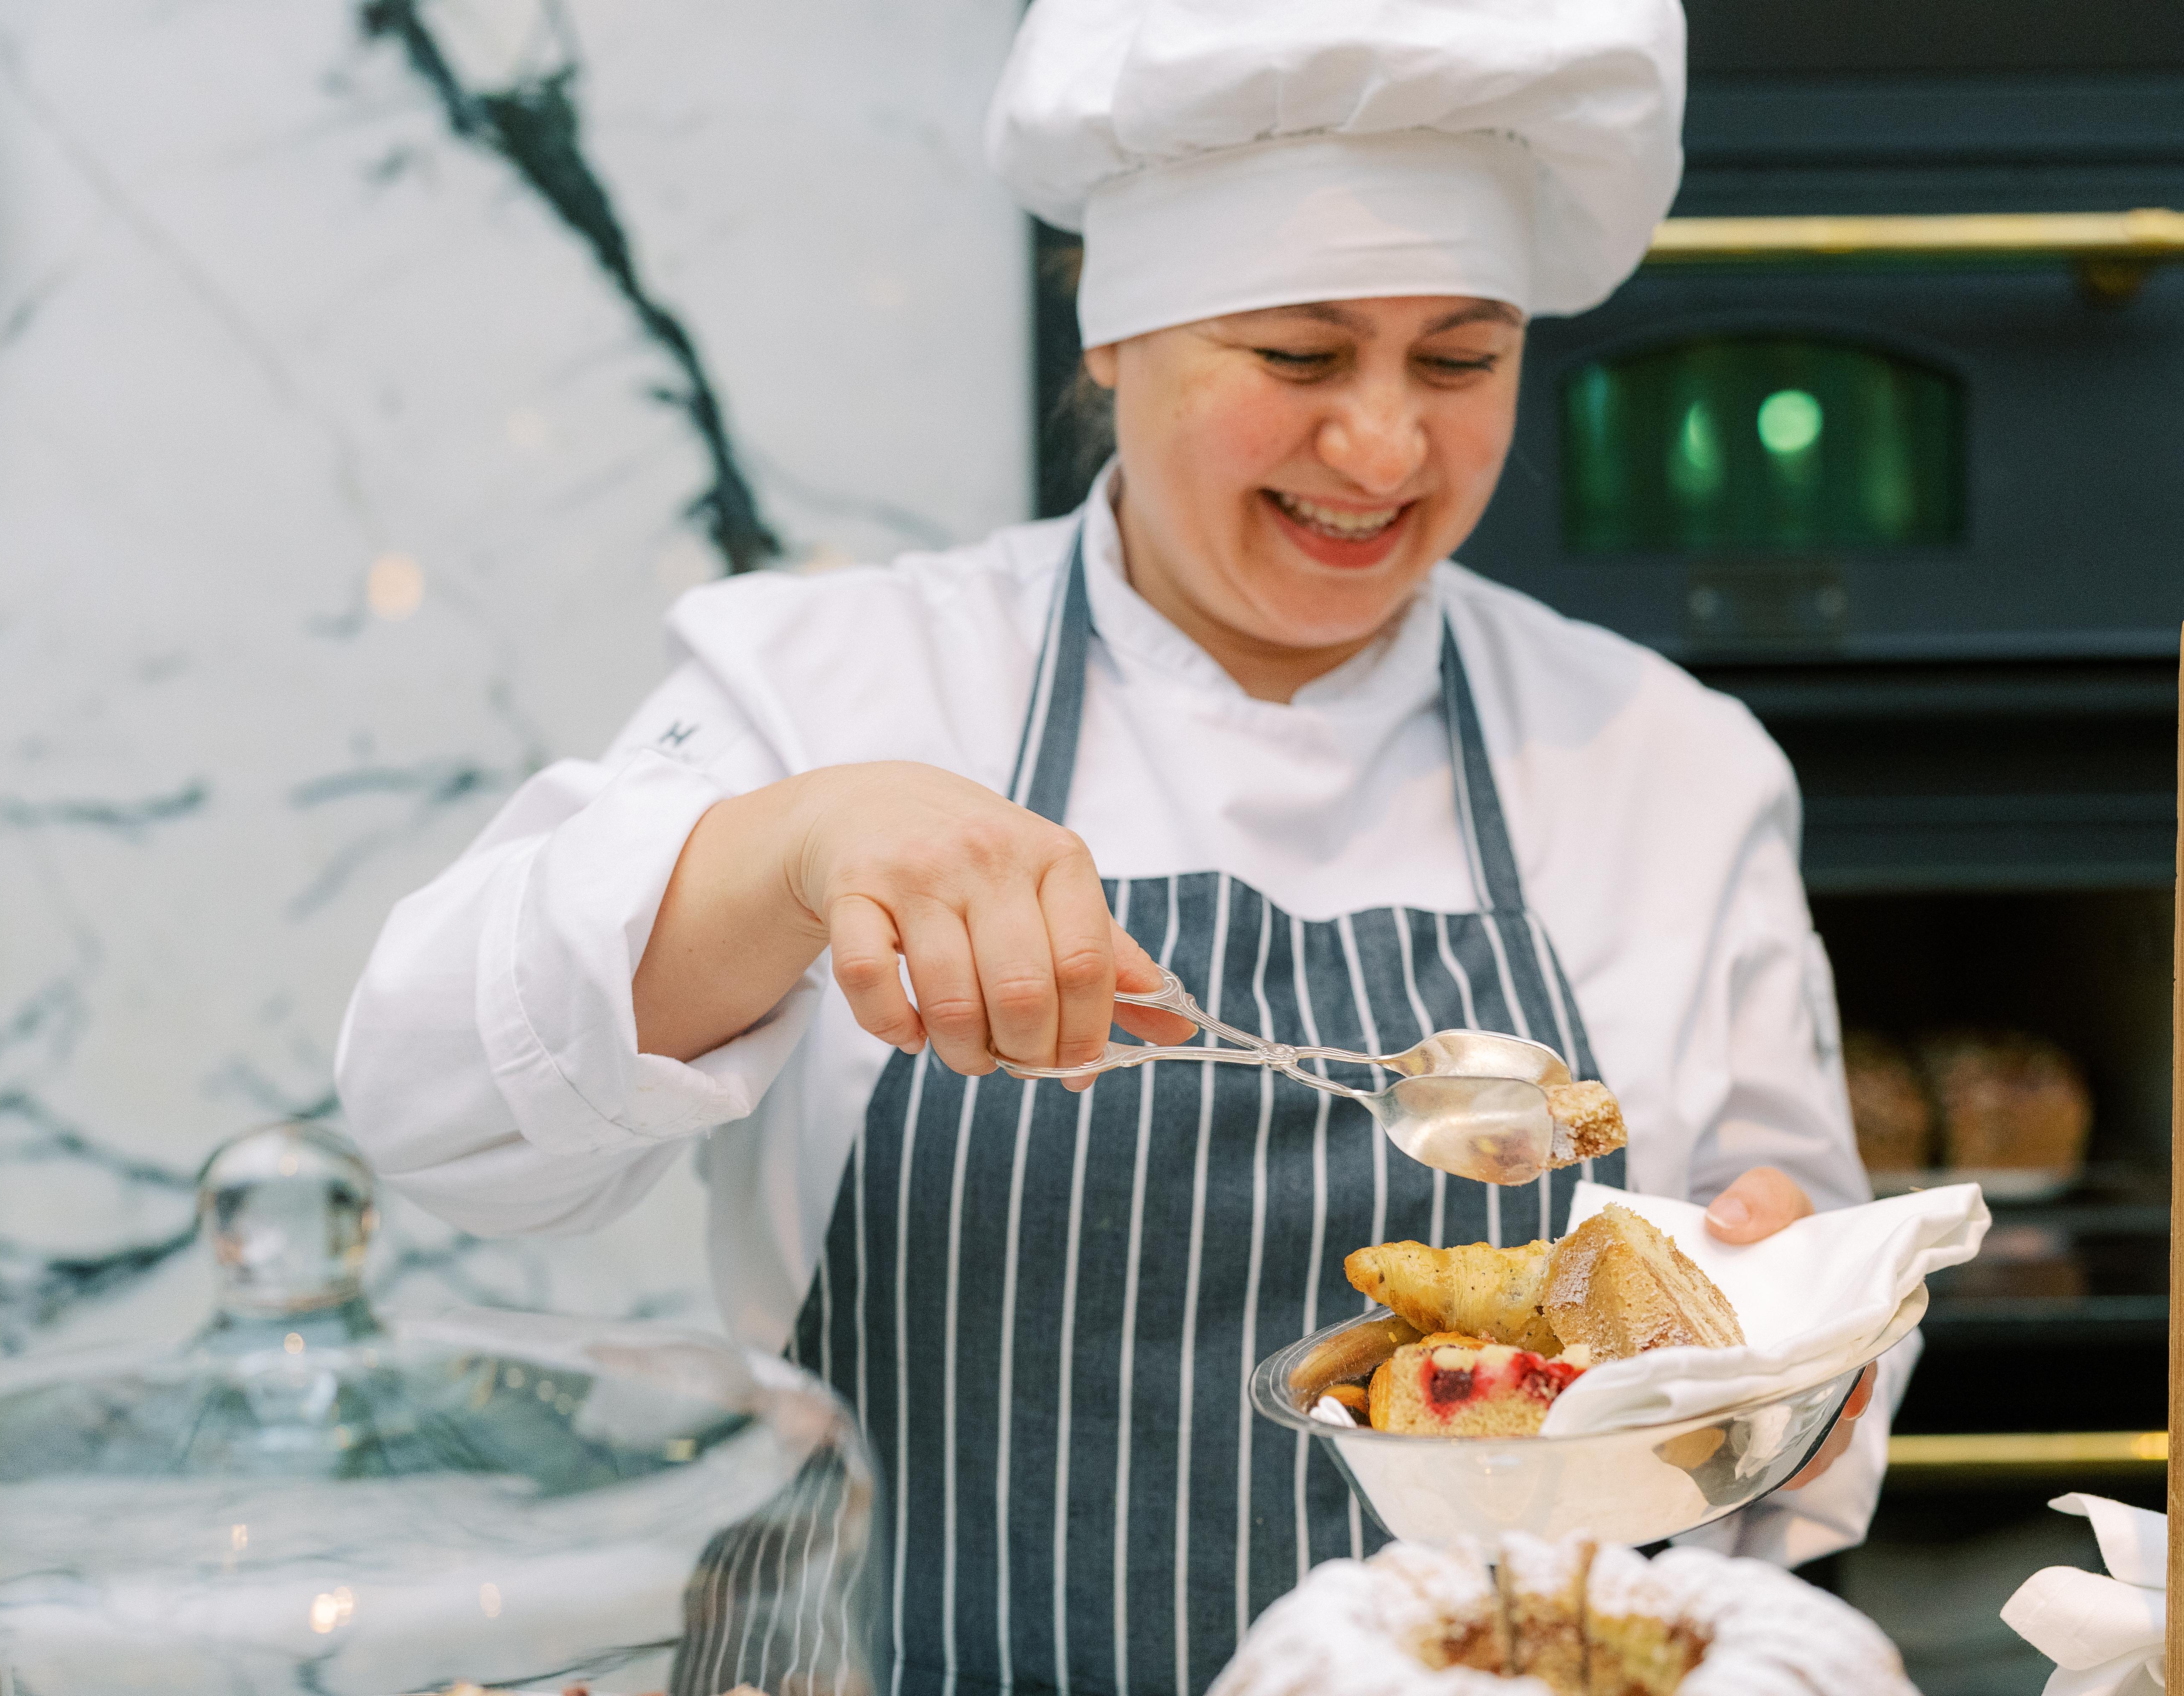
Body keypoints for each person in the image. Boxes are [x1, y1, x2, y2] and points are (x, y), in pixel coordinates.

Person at [336, 2, 1913, 1693]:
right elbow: (439, 1112)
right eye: (1298, 358)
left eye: (1459, 360)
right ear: (1110, 339)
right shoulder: (842, 680)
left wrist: (1788, 1347)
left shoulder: (1666, 759)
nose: (1384, 447)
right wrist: (791, 847)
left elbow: (1805, 1333)